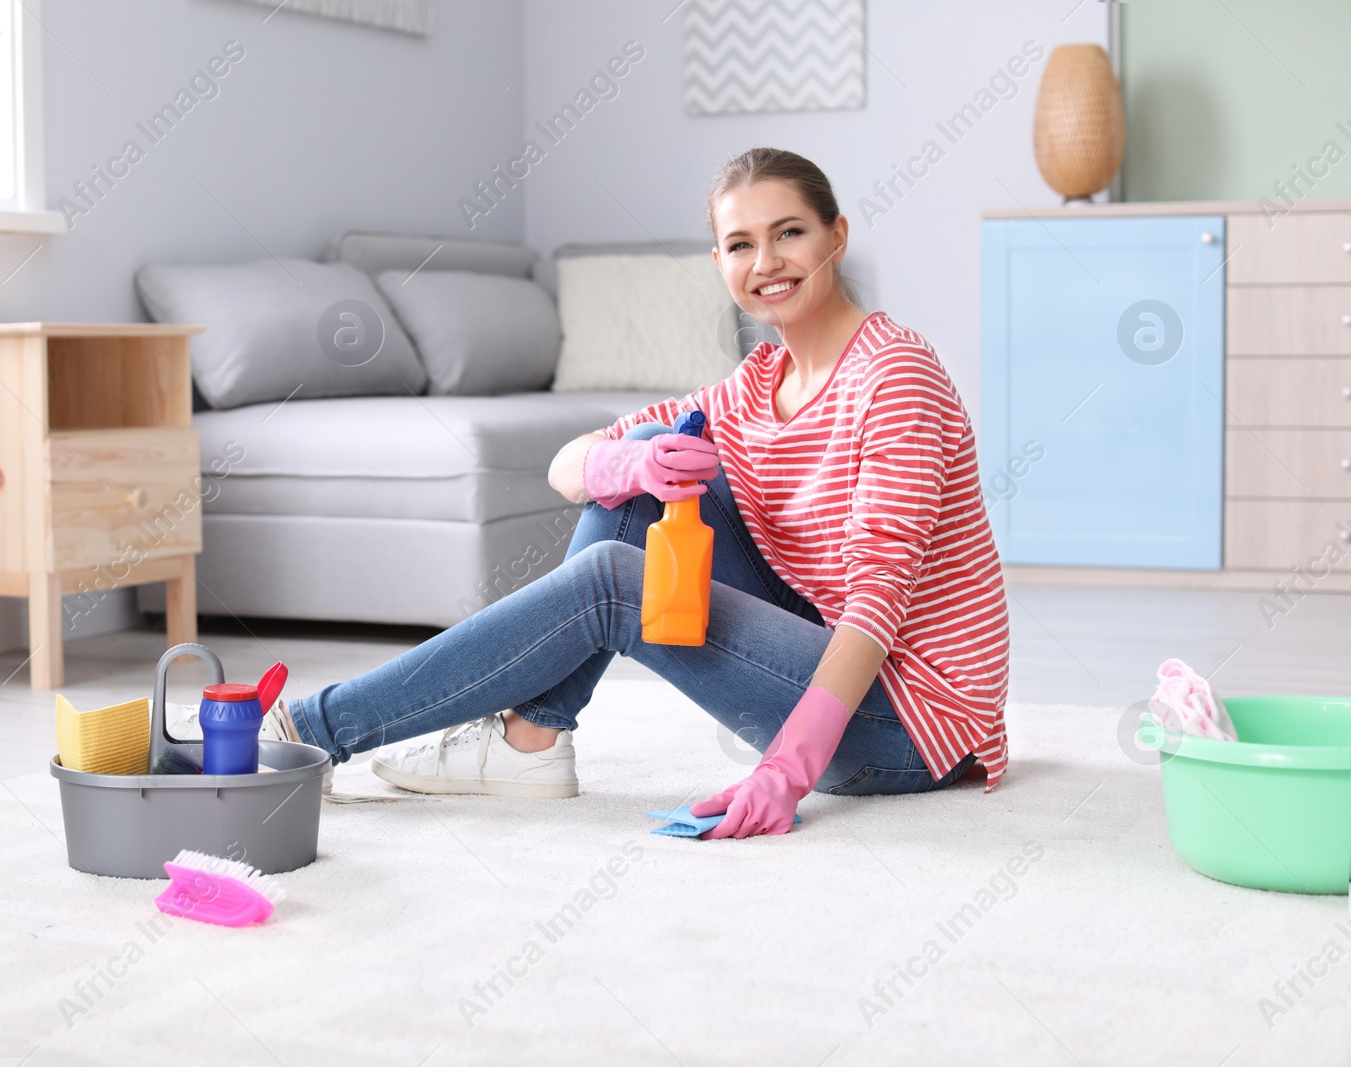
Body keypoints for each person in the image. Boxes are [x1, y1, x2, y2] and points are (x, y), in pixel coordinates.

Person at [262, 146, 1010, 839]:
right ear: (719, 261)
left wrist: (787, 770)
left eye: (789, 233)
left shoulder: (894, 375)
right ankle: (532, 738)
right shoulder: (756, 385)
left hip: (908, 722)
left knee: (612, 585)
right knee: (649, 453)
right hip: (823, 648)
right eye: (742, 244)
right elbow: (570, 463)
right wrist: (626, 468)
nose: (767, 261)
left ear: (836, 237)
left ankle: (314, 730)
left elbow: (878, 595)